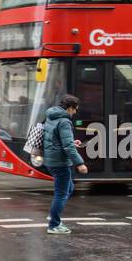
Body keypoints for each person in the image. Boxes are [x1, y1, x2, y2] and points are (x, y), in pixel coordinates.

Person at [42, 94, 88, 235]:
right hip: (60, 162)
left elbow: (55, 139)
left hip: (51, 159)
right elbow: (67, 146)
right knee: (61, 193)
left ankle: (54, 214)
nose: (75, 112)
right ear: (69, 108)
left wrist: (72, 143)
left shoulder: (51, 116)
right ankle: (54, 224)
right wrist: (80, 163)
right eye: (75, 109)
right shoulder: (64, 121)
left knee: (69, 188)